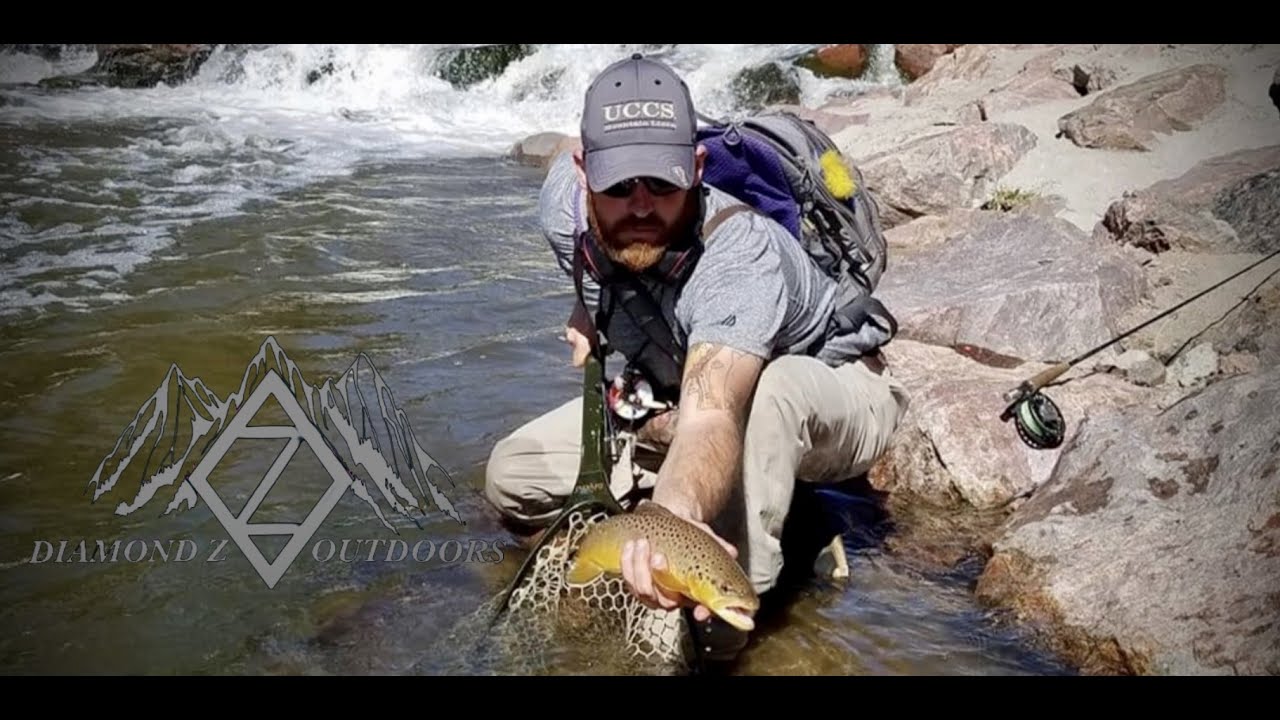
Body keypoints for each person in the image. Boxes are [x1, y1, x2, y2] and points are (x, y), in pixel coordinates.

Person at [484, 53, 910, 656]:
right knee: (512, 479)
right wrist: (586, 306)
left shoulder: (738, 255)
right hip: (684, 392)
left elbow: (713, 412)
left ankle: (761, 572)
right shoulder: (563, 214)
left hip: (831, 391)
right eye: (617, 185)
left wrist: (673, 525)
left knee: (766, 396)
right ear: (583, 175)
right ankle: (767, 509)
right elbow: (579, 230)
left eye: (662, 182)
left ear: (697, 166)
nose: (639, 205)